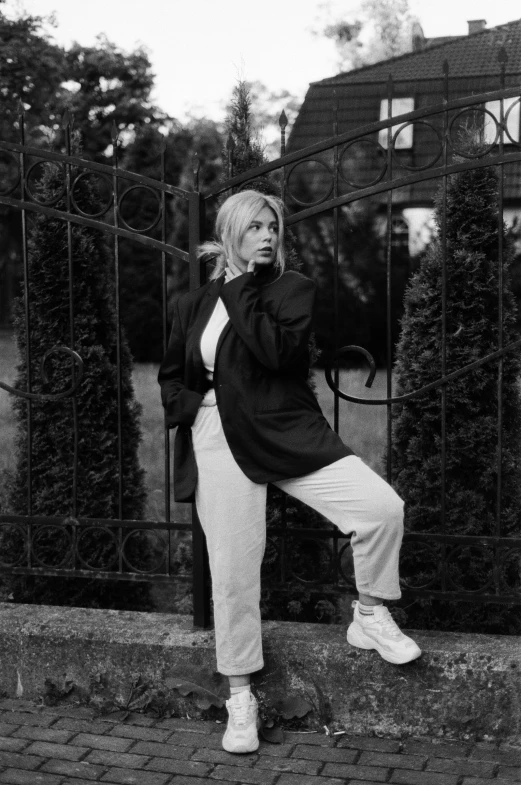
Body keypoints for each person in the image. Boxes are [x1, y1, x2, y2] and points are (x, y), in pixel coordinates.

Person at [158, 189, 421, 754]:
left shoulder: (291, 290)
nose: (268, 235)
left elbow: (275, 354)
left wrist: (240, 286)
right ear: (230, 232)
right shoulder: (191, 305)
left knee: (381, 509)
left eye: (273, 226)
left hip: (285, 429)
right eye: (255, 226)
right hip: (217, 438)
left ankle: (369, 613)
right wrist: (187, 404)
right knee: (232, 573)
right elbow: (171, 375)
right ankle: (239, 696)